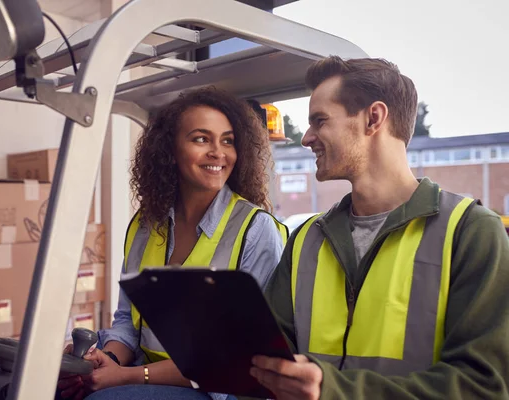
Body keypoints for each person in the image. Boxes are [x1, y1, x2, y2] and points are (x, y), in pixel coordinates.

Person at [249, 56, 509, 399]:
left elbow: (483, 388)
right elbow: (264, 360)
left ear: (373, 118)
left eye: (320, 121)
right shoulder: (306, 240)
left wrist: (333, 390)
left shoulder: (471, 232)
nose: (307, 137)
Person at [57, 87, 288, 400]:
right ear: (170, 149)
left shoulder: (256, 231)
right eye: (201, 139)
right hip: (145, 374)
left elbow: (234, 357)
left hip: (219, 390)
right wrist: (107, 361)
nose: (218, 152)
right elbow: (127, 321)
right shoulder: (144, 226)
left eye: (227, 140)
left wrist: (127, 377)